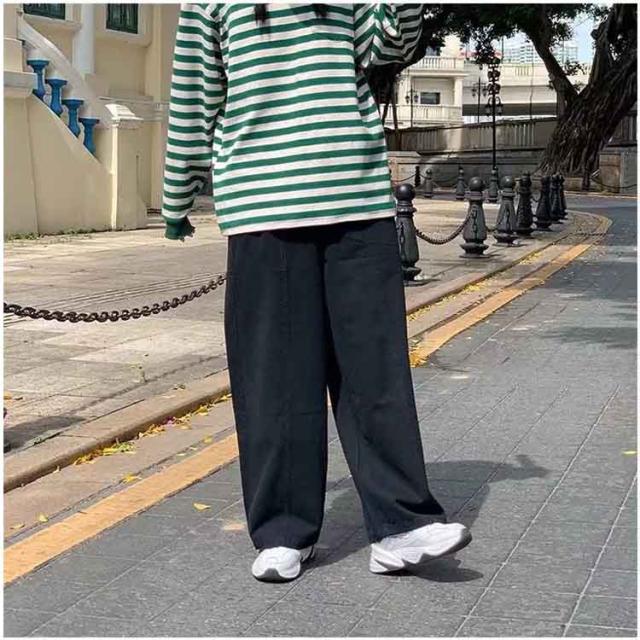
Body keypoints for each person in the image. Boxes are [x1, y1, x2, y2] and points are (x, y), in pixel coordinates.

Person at [162, 3, 471, 582]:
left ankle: (401, 524)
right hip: (263, 206)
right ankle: (284, 531)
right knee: (274, 379)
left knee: (374, 372)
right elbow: (195, 96)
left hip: (356, 199)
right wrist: (178, 192)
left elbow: (391, 43)